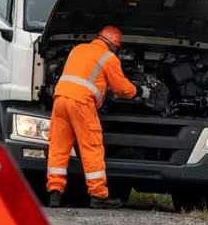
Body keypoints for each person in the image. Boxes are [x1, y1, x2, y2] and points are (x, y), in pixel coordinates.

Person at [45, 26, 151, 210]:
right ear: (114, 46)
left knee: (58, 147)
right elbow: (121, 88)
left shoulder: (78, 49)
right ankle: (98, 195)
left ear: (99, 38)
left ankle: (55, 192)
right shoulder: (109, 58)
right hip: (81, 102)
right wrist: (141, 91)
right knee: (91, 146)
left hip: (60, 98)